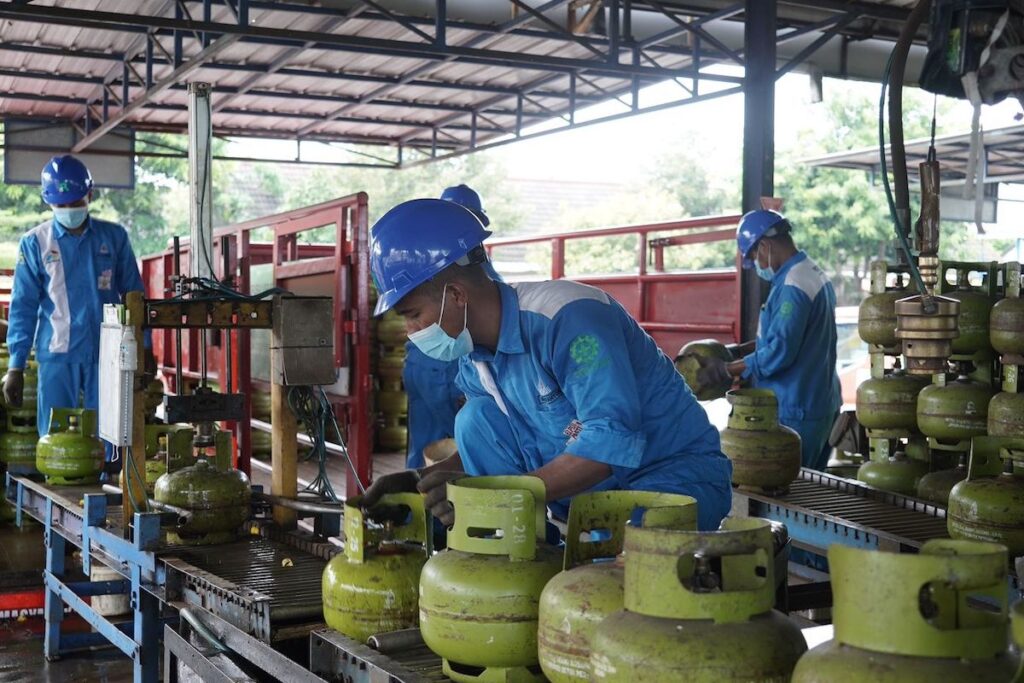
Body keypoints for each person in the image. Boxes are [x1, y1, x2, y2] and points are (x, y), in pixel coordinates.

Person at [363, 198, 733, 531]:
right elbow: (495, 440)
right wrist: (420, 479)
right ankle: (537, 542)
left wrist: (505, 495)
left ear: (456, 294)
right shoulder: (474, 357)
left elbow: (611, 440)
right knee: (474, 419)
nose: (410, 331)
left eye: (413, 315)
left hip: (669, 480)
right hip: (582, 493)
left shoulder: (570, 321)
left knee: (615, 584)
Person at [3, 155, 152, 462]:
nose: (69, 210)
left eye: (75, 202)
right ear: (49, 202)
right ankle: (57, 495)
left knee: (109, 438)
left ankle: (108, 493)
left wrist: (144, 349)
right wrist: (16, 366)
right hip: (57, 355)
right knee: (56, 444)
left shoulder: (114, 238)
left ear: (90, 195)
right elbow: (23, 308)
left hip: (108, 356)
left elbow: (136, 297)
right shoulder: (35, 243)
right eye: (62, 205)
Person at [701, 209, 841, 471]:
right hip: (819, 401)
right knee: (813, 488)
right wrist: (738, 351)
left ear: (764, 245)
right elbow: (791, 336)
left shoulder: (793, 285)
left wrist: (725, 370)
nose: (756, 264)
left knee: (793, 491)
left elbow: (781, 350)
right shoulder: (811, 272)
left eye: (754, 255)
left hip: (796, 407)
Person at [402, 185, 500, 468]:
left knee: (424, 447)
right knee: (463, 448)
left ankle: (416, 504)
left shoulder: (424, 262)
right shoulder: (481, 274)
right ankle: (448, 506)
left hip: (418, 365)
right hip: (452, 367)